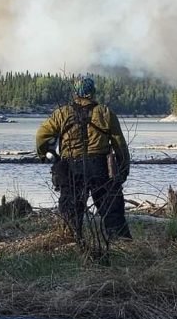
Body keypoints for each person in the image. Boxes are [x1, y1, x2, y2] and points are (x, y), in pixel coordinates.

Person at [36, 76, 131, 242]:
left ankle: (70, 242)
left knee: (70, 209)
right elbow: (120, 145)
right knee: (112, 208)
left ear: (75, 94)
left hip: (70, 166)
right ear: (93, 93)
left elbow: (41, 136)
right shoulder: (105, 113)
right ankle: (121, 243)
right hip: (100, 167)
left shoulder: (61, 113)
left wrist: (44, 154)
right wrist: (123, 170)